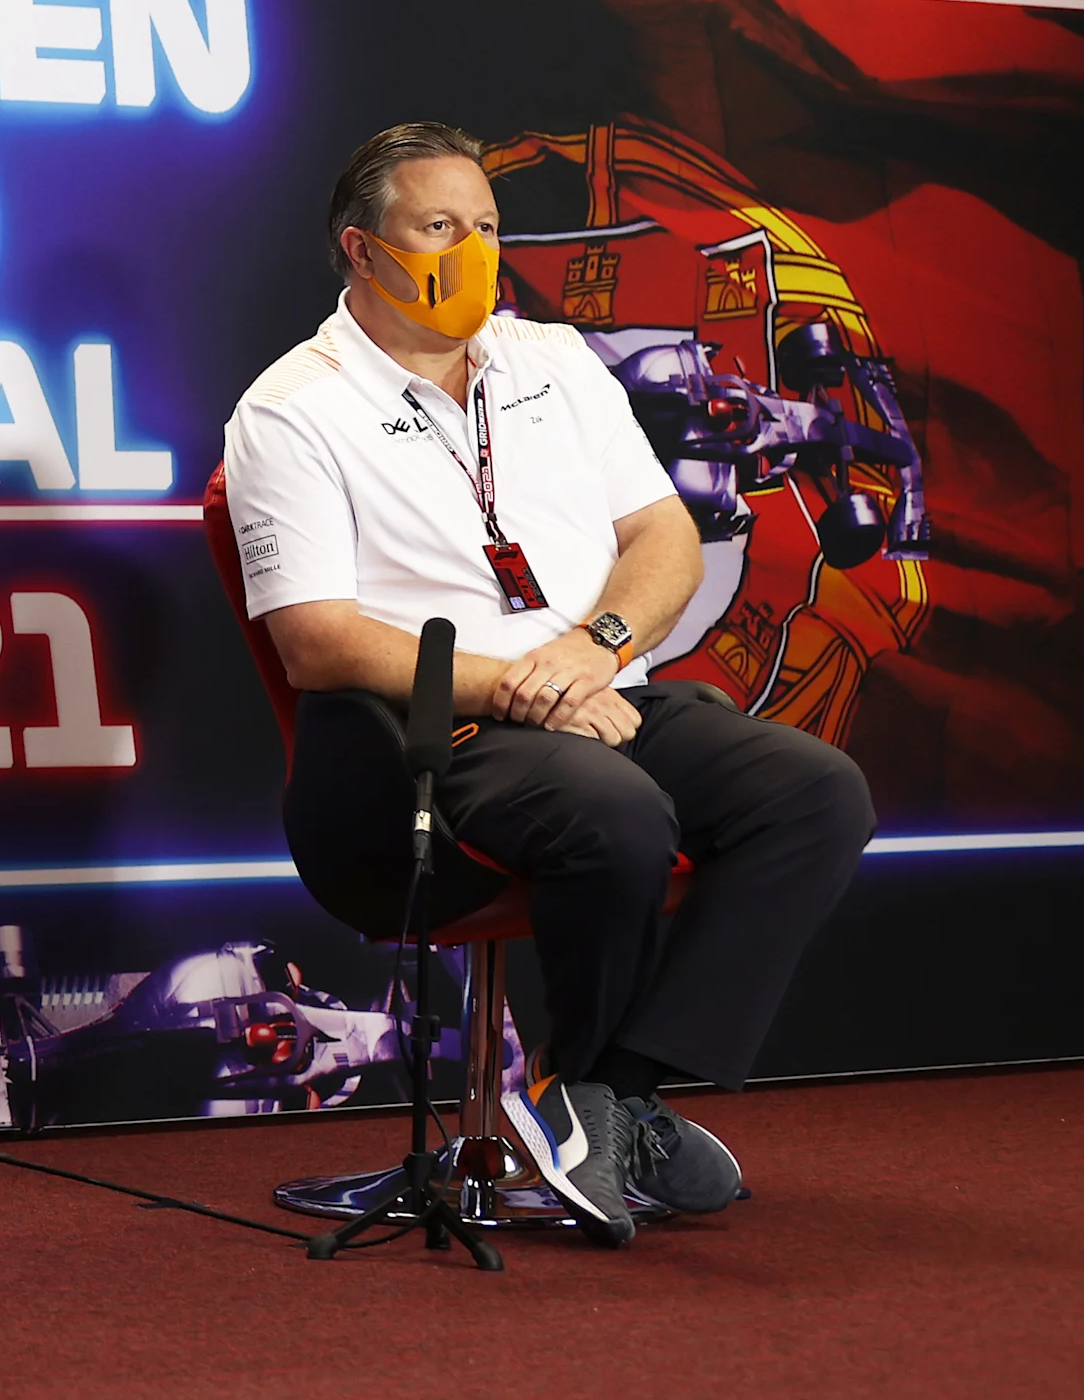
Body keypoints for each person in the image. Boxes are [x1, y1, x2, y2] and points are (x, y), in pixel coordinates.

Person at [220, 120, 875, 1245]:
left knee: (813, 791)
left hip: (600, 684)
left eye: (484, 227)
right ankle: (595, 1106)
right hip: (442, 733)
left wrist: (593, 648)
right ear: (358, 249)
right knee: (614, 811)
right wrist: (523, 688)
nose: (470, 251)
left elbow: (661, 535)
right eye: (437, 228)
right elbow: (317, 643)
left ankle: (606, 1092)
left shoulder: (554, 361)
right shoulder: (290, 410)